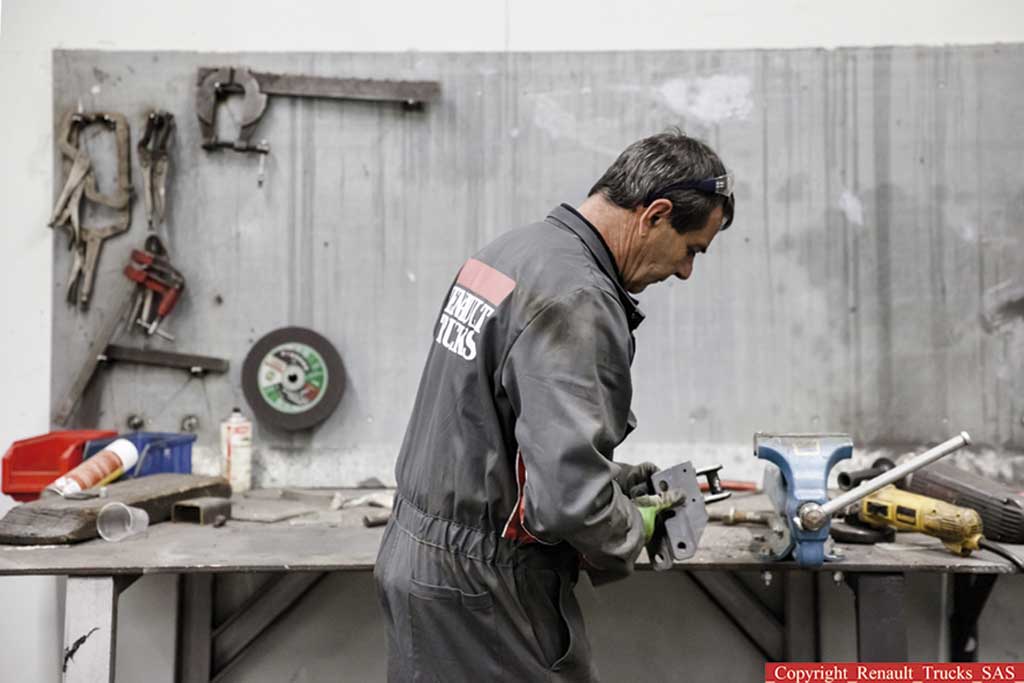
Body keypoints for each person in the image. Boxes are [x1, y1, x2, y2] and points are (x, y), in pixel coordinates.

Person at [374, 130, 735, 681]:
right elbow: (568, 503)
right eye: (692, 250)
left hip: (420, 555)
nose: (686, 271)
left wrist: (611, 477)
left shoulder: (511, 253)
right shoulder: (579, 299)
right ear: (656, 214)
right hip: (484, 586)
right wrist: (630, 529)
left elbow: (493, 425)